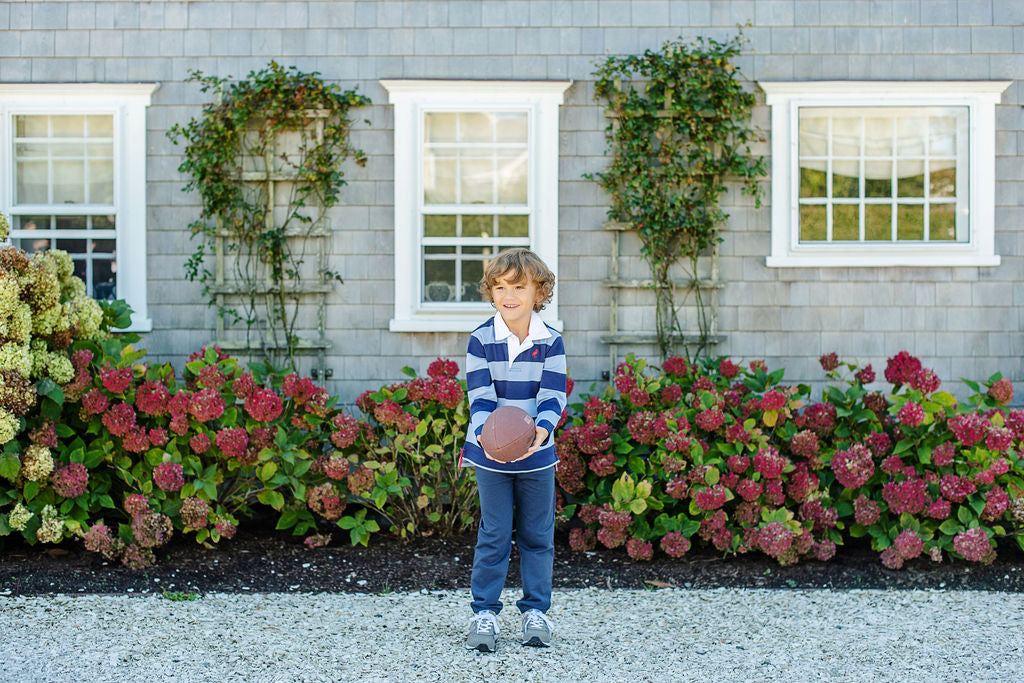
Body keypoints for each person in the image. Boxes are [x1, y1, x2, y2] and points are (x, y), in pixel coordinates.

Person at [460, 247, 567, 653]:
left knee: (538, 534)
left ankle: (535, 612)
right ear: (491, 292)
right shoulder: (481, 340)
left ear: (538, 292)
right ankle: (484, 612)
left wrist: (539, 433)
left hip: (539, 455)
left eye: (519, 286)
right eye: (500, 286)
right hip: (489, 453)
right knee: (495, 533)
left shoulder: (550, 342)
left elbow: (553, 394)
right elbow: (480, 397)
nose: (509, 294)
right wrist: (493, 439)